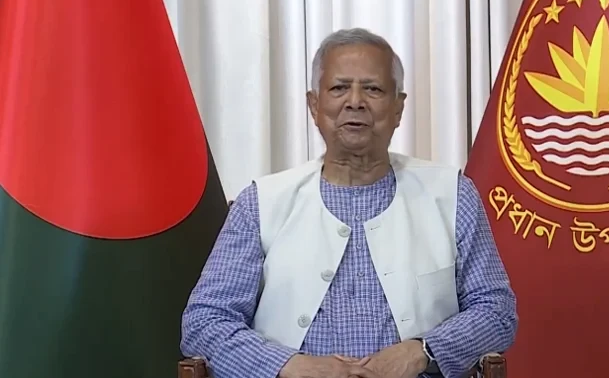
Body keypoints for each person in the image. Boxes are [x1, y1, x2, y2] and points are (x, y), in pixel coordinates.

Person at [180, 28, 518, 378]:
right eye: (339, 88)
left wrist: (422, 351)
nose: (355, 102)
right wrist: (290, 365)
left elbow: (496, 310)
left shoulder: (452, 195)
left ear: (398, 107)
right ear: (314, 105)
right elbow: (205, 322)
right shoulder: (260, 205)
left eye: (373, 89)